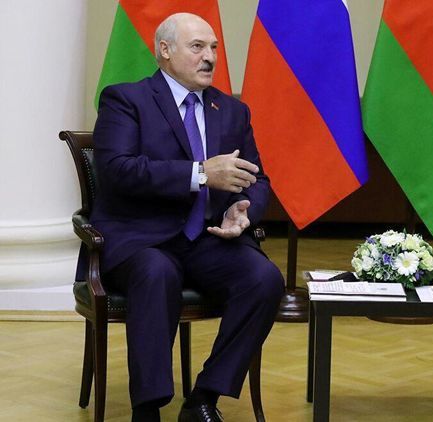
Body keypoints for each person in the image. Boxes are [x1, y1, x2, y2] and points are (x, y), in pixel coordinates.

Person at [89, 12, 284, 422]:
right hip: (141, 239)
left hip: (208, 238)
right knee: (157, 272)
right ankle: (147, 409)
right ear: (165, 50)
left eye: (213, 47)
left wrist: (243, 210)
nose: (209, 56)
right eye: (197, 47)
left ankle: (203, 399)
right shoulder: (126, 100)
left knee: (264, 279)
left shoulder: (231, 111)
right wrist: (200, 174)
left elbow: (257, 179)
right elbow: (117, 170)